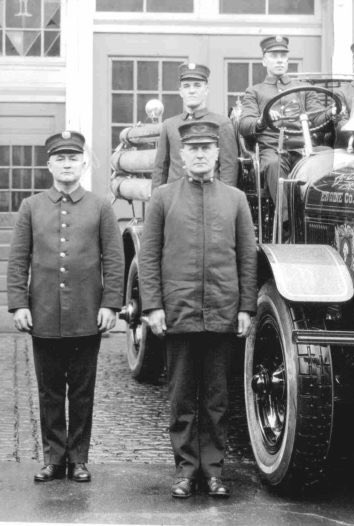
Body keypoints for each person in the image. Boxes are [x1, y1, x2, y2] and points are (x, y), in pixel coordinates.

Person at [138, 120, 257, 499]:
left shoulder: (236, 199)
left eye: (208, 147)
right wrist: (153, 306)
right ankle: (186, 471)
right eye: (193, 149)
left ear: (218, 153)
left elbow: (247, 260)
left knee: (219, 399)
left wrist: (246, 308)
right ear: (183, 154)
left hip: (223, 310)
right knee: (182, 397)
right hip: (179, 311)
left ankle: (215, 471)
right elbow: (149, 257)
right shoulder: (162, 198)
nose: (201, 154)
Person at [7, 131, 124, 483]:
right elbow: (18, 260)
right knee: (50, 390)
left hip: (87, 315)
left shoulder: (101, 206)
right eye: (60, 158)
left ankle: (79, 459)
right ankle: (54, 458)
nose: (68, 164)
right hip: (43, 314)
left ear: (84, 163)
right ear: (50, 165)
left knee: (83, 391)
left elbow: (114, 260)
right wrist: (18, 305)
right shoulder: (32, 206)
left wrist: (110, 305)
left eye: (74, 157)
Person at [238, 35, 333, 218]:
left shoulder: (303, 88)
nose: (279, 60)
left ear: (288, 59)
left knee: (329, 156)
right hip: (273, 149)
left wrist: (331, 112)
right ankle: (287, 223)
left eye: (283, 55)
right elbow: (244, 124)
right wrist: (262, 120)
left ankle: (323, 216)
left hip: (304, 147)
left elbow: (318, 118)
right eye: (274, 55)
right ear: (264, 60)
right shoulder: (255, 92)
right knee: (274, 164)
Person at [151, 62, 238, 188]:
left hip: (209, 198)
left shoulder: (222, 124)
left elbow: (229, 169)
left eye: (197, 86)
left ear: (206, 90)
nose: (192, 91)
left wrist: (225, 203)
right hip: (175, 200)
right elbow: (160, 170)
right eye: (186, 86)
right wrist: (156, 203)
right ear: (181, 91)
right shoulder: (169, 125)